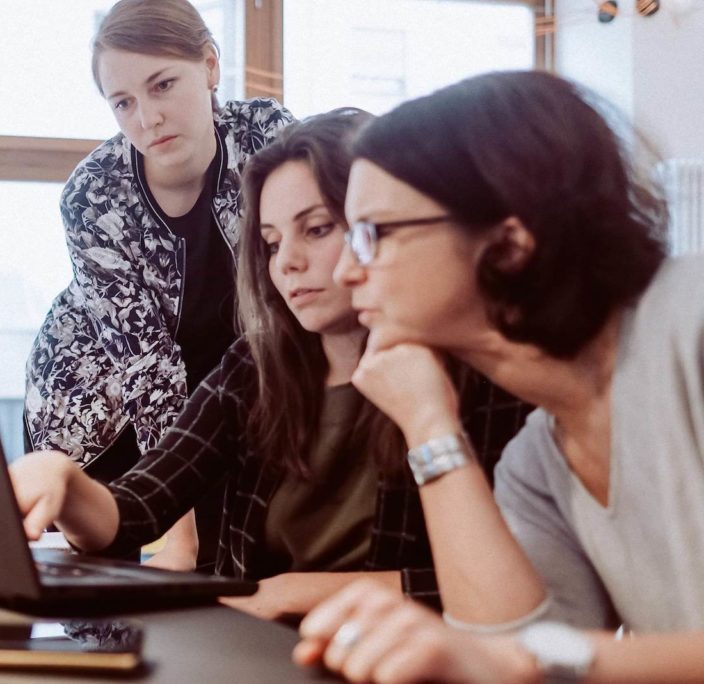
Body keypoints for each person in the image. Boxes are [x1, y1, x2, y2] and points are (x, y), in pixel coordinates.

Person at [11, 109, 530, 622]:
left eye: (319, 229)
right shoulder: (255, 369)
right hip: (258, 653)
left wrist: (296, 593)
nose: (287, 263)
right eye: (272, 242)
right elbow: (138, 510)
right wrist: (65, 483)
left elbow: (510, 584)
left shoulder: (478, 377)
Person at [294, 70, 704, 682]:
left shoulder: (691, 321)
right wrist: (429, 426)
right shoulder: (536, 463)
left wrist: (528, 661)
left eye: (372, 234)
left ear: (510, 243)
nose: (348, 272)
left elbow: (526, 661)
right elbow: (507, 661)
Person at [24, 0, 294, 571]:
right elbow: (147, 366)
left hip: (222, 394)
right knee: (121, 598)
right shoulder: (93, 195)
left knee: (238, 566)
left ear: (211, 67)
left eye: (163, 84)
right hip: (104, 404)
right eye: (123, 102)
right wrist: (179, 539)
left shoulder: (267, 140)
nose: (147, 117)